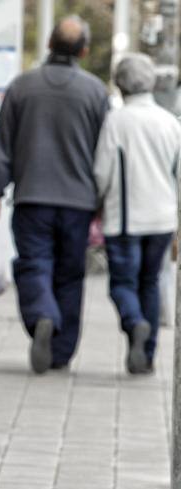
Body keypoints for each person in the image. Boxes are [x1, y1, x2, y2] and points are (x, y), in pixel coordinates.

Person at [0, 15, 109, 374]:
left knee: (34, 264)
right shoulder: (95, 92)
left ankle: (42, 314)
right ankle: (61, 352)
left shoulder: (22, 86)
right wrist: (103, 200)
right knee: (70, 274)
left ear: (50, 45)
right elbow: (105, 150)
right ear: (84, 51)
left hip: (31, 198)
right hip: (79, 202)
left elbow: (3, 145)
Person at [94, 53, 181, 374]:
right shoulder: (170, 122)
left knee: (122, 283)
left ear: (120, 84)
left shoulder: (116, 121)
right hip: (162, 218)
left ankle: (134, 323)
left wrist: (98, 200)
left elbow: (102, 172)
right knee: (151, 283)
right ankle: (147, 354)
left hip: (126, 218)